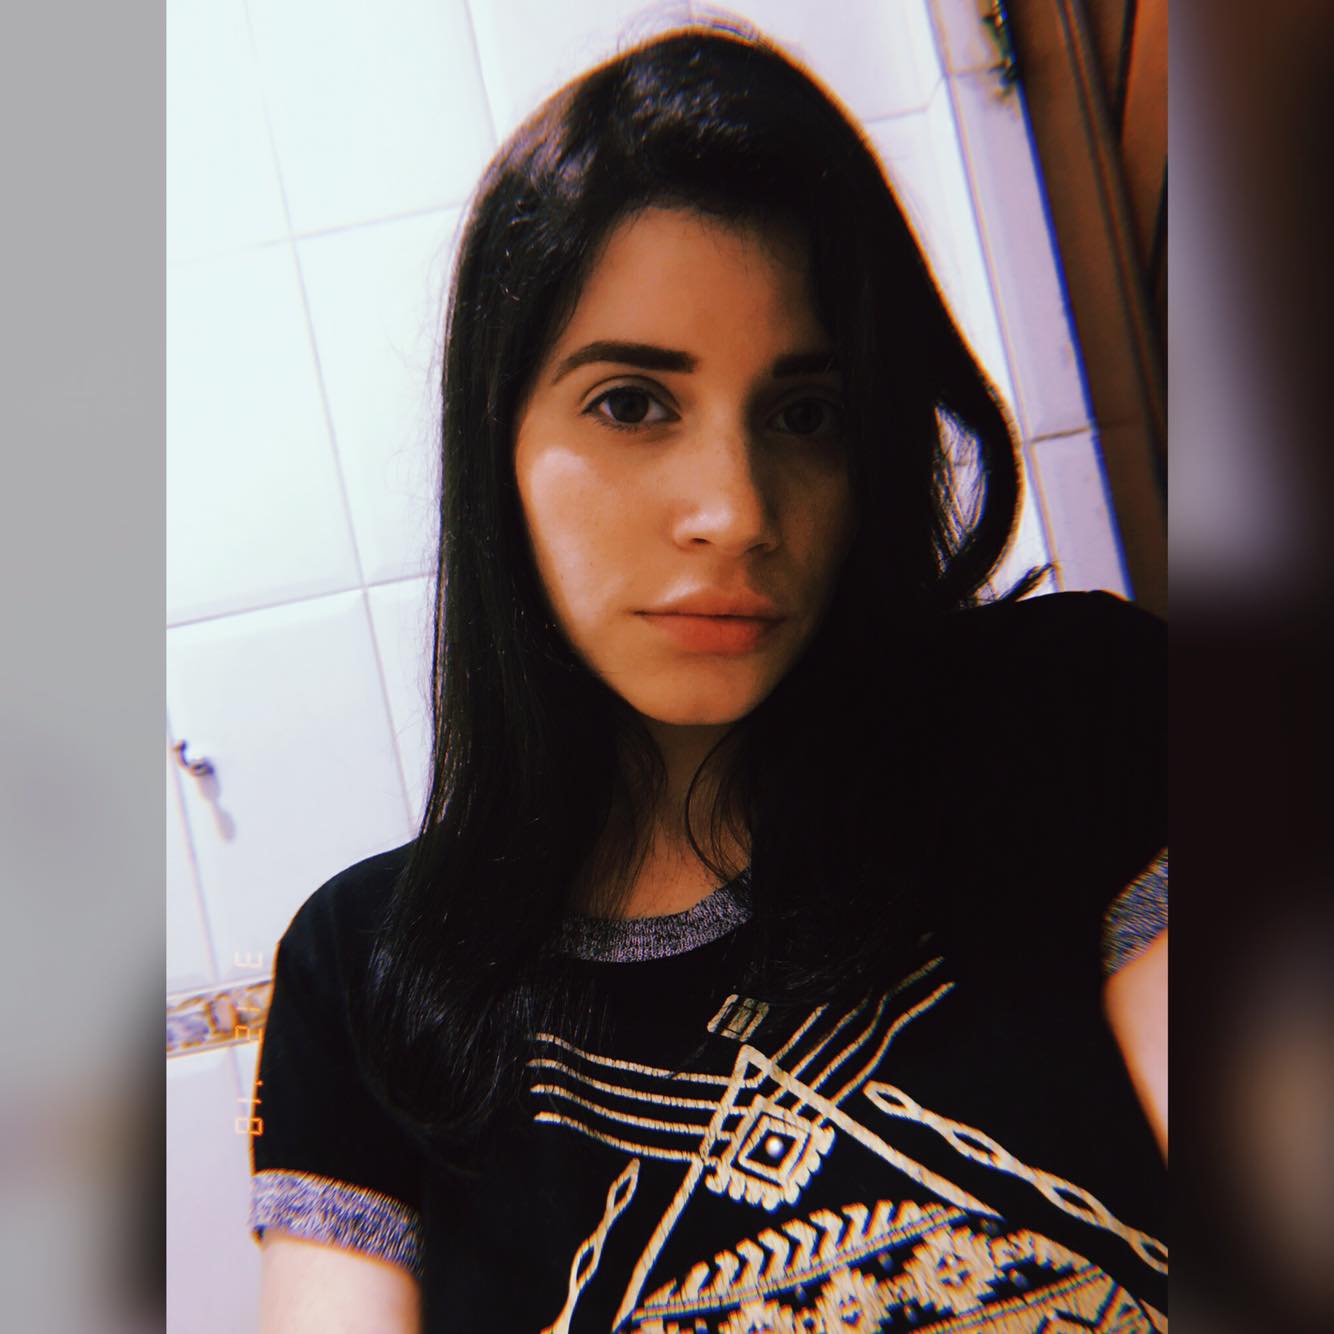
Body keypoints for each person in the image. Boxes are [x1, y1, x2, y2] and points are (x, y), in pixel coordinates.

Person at [248, 20, 1167, 1334]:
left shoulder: (1072, 718)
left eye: (805, 413)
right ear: (499, 447)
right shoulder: (370, 974)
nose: (735, 512)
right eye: (632, 402)